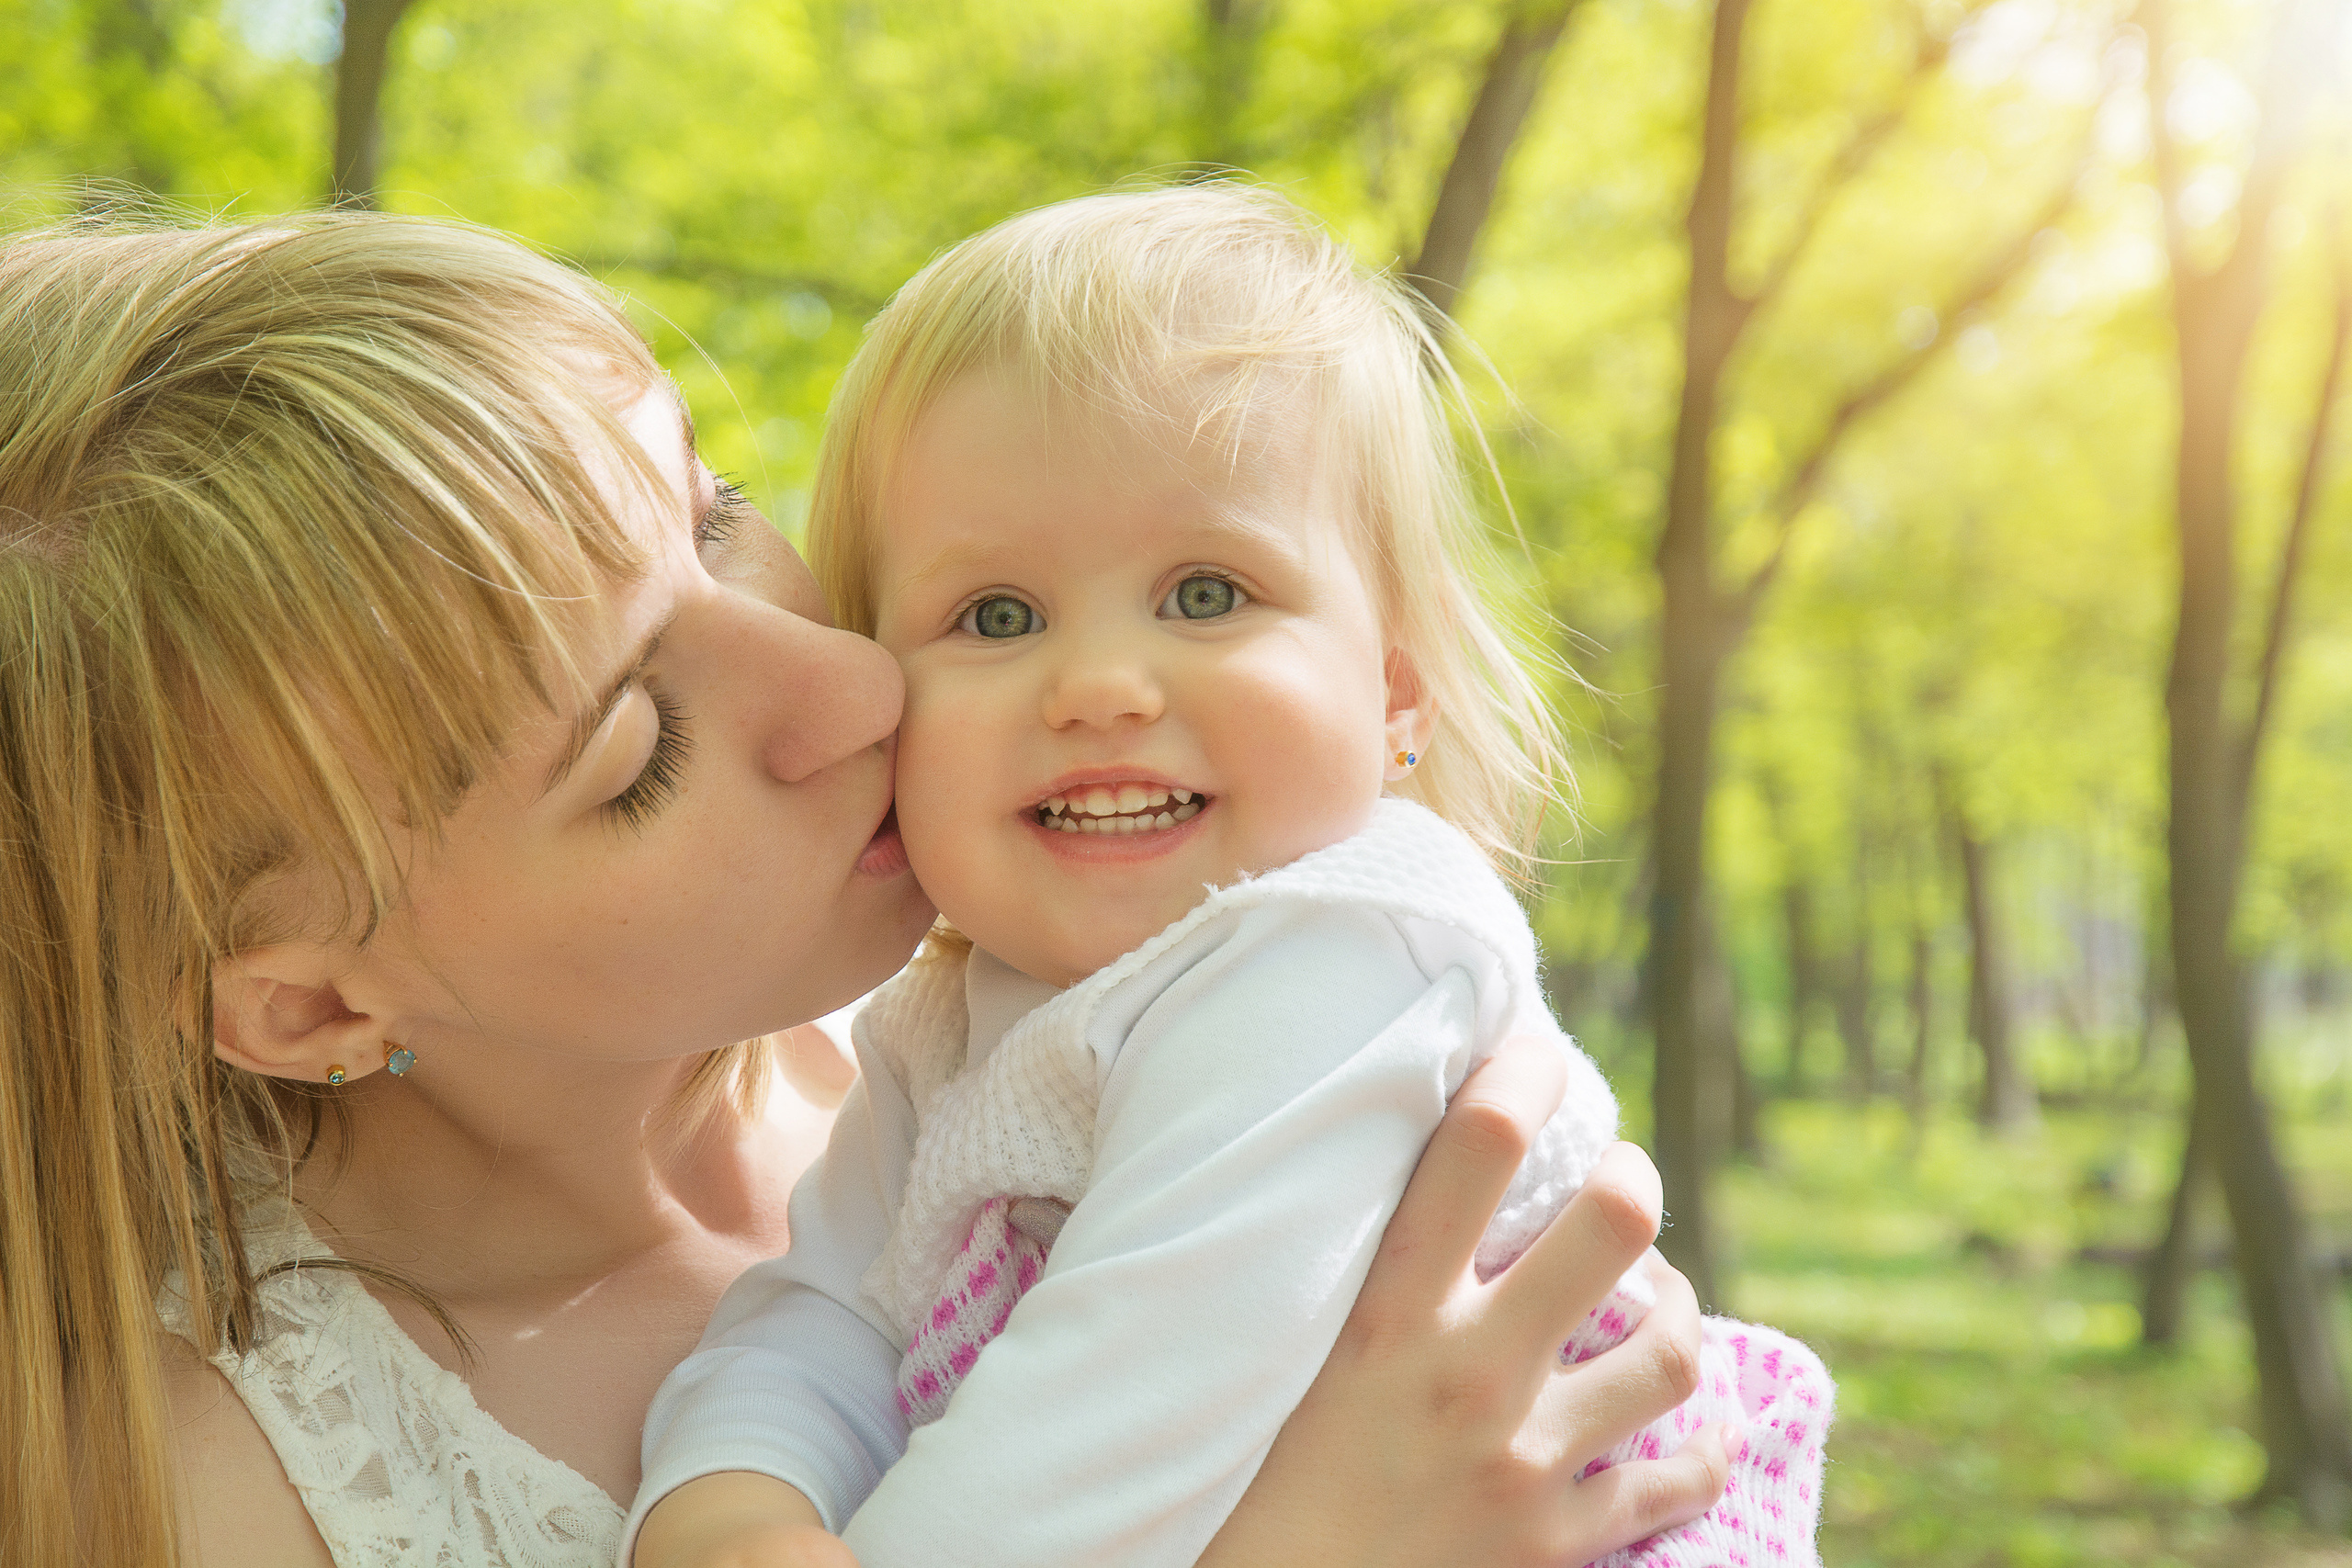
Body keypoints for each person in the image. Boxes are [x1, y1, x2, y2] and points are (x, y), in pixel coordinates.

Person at [0, 211, 1734, 1568]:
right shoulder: (222, 1488)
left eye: (719, 514)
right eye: (640, 751)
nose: (857, 684)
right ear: (311, 1003)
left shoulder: (1026, 996)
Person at [630, 186, 1829, 1568]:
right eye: (996, 615)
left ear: (1394, 694)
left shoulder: (1342, 949)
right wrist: (733, 1507)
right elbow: (825, 1313)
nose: (1097, 685)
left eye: (1206, 594)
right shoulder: (947, 1021)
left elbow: (1120, 1413)